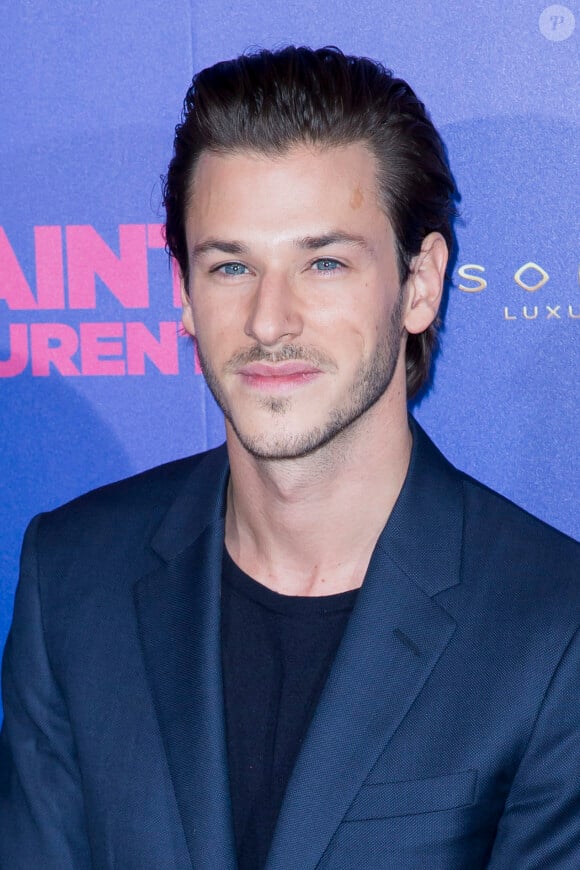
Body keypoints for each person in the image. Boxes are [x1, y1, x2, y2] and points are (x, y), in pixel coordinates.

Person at [0, 46, 578, 870]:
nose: (270, 320)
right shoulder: (72, 576)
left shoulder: (555, 627)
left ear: (420, 285)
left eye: (324, 262)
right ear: (184, 296)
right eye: (232, 265)